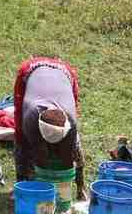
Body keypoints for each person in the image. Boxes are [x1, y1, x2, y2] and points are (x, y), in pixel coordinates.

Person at [12, 57, 84, 196]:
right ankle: (21, 184)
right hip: (30, 70)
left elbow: (68, 158)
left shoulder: (70, 121)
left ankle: (81, 188)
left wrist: (63, 177)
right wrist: (44, 181)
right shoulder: (30, 117)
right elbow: (39, 154)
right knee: (21, 140)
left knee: (74, 148)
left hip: (64, 72)